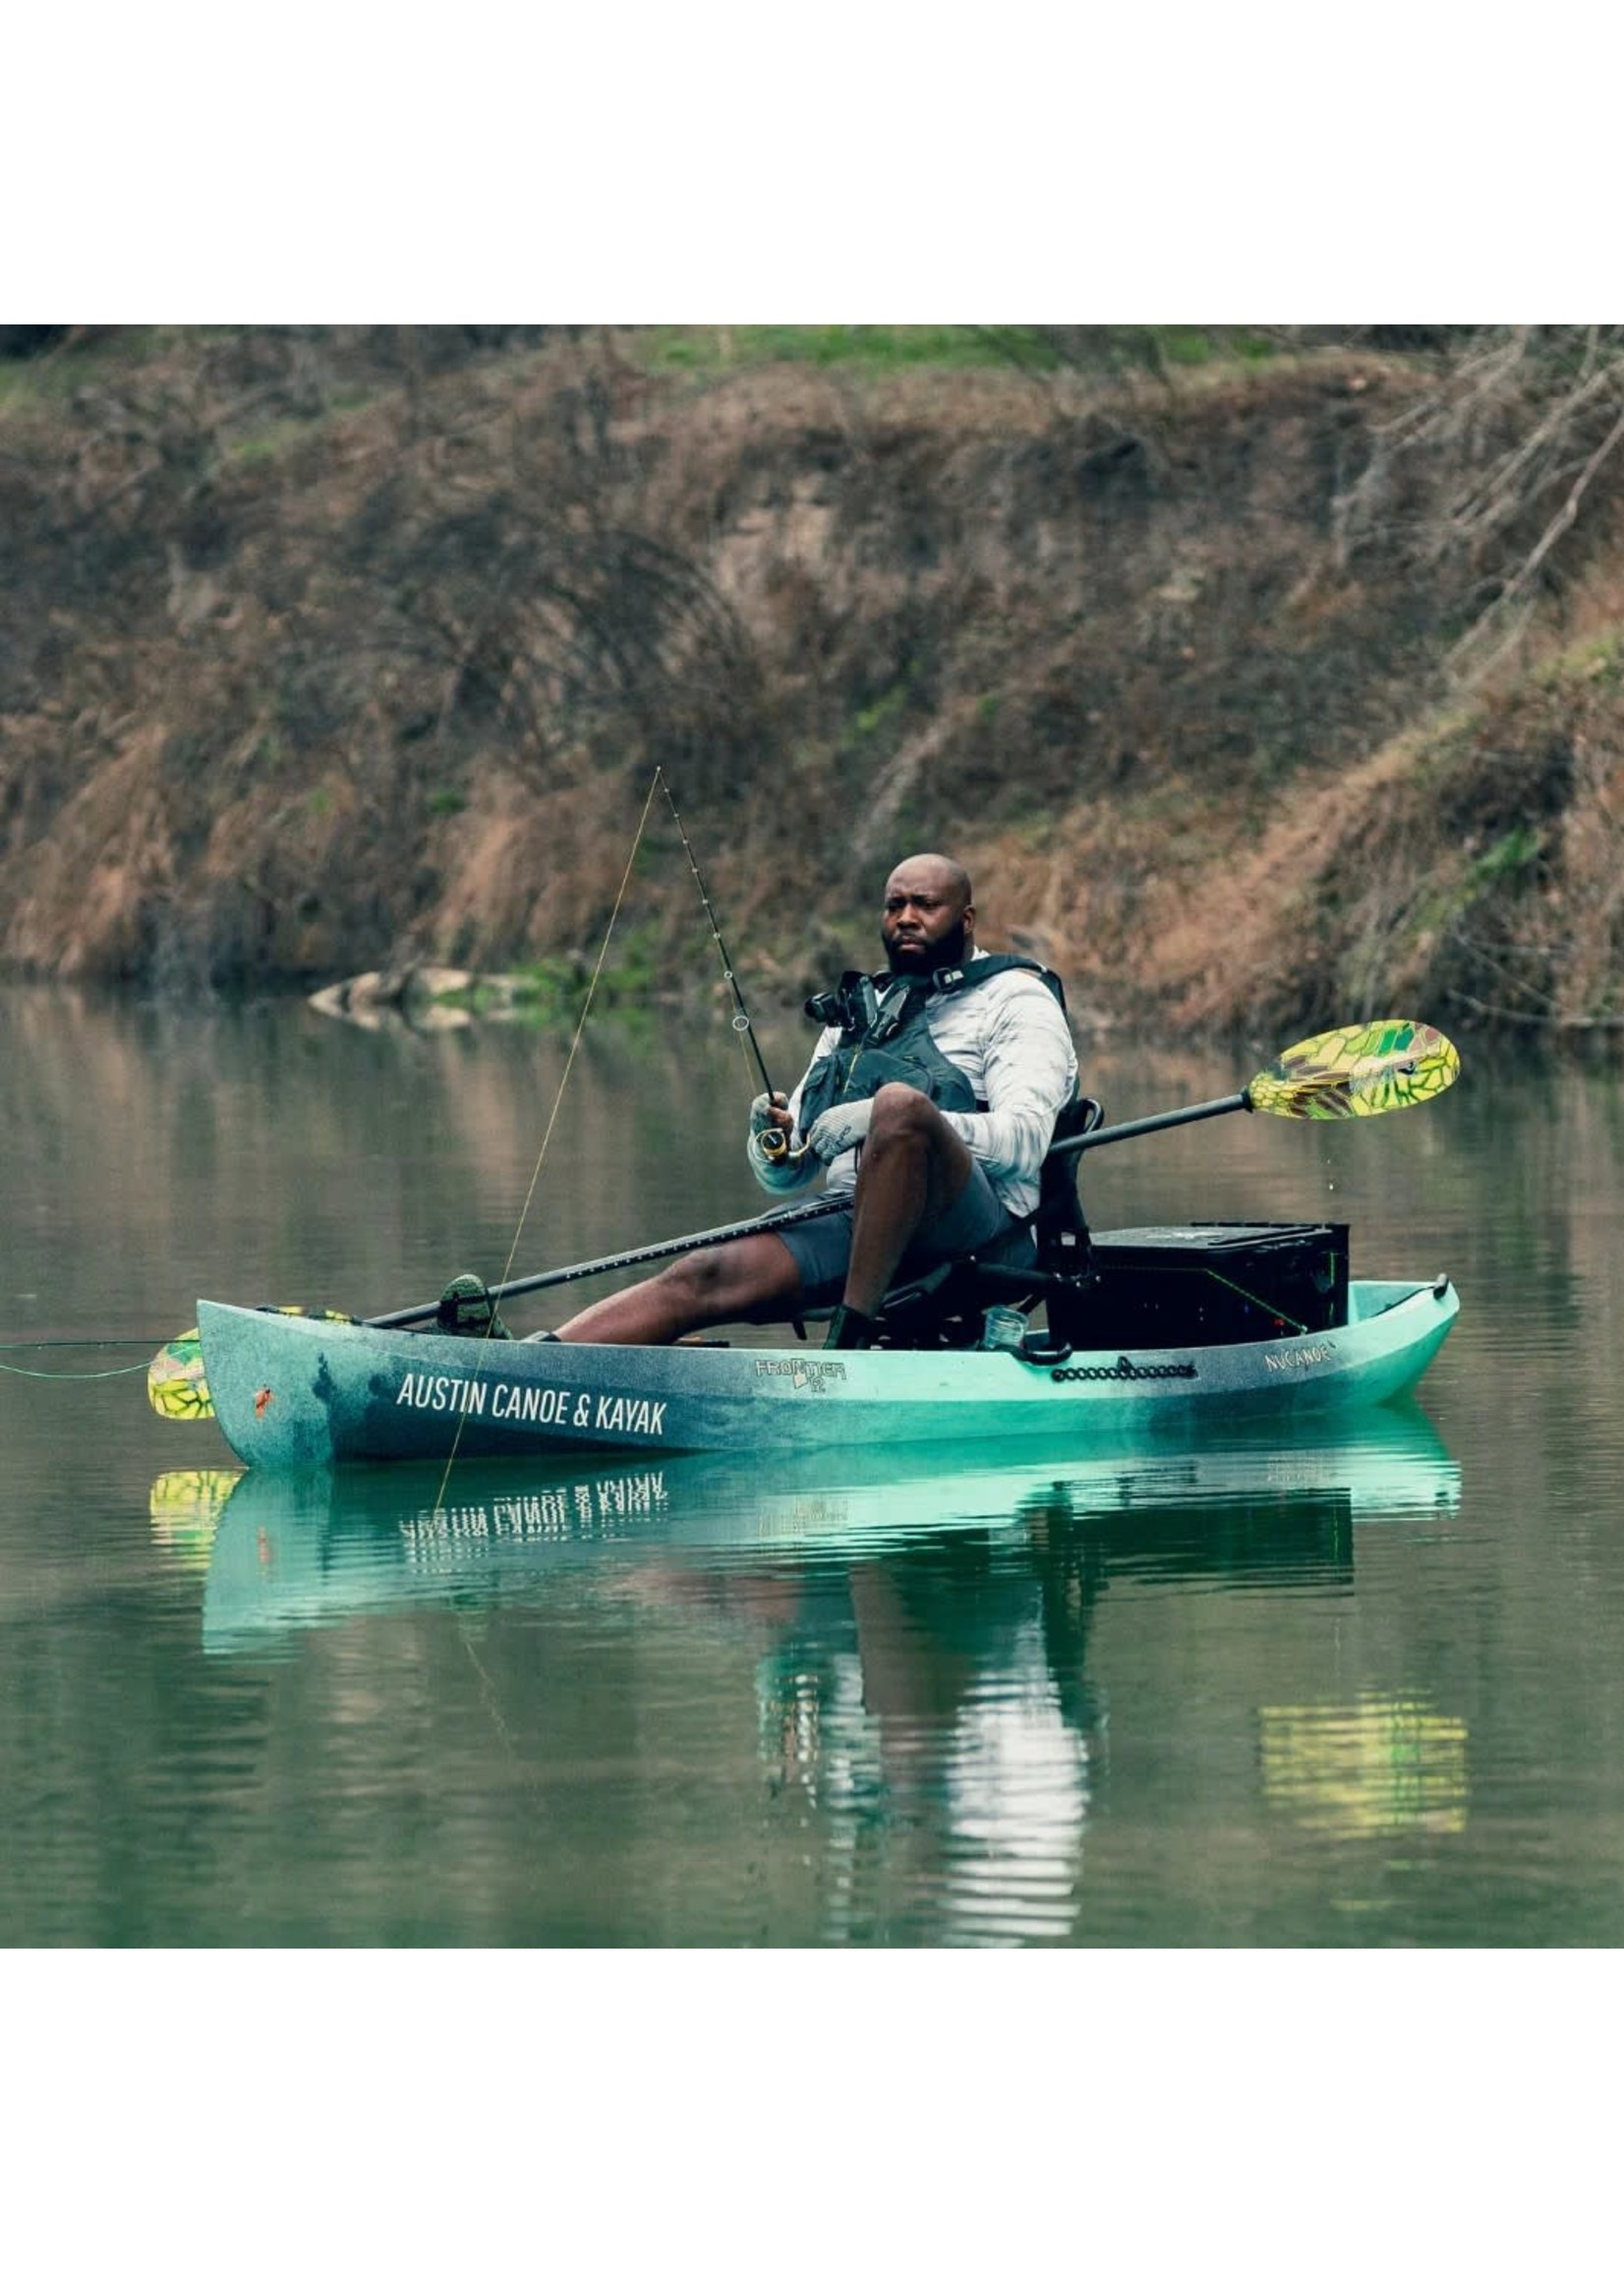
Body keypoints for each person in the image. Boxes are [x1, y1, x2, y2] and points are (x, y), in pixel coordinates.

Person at [539, 852, 1078, 1350]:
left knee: (901, 1107)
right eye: (895, 905)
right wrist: (771, 1144)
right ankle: (531, 1361)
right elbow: (791, 1175)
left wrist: (880, 1117)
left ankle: (849, 1344)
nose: (907, 917)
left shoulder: (1016, 999)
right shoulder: (861, 1011)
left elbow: (1024, 1143)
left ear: (965, 919)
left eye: (925, 905)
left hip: (983, 1232)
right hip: (855, 1219)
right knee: (703, 1274)